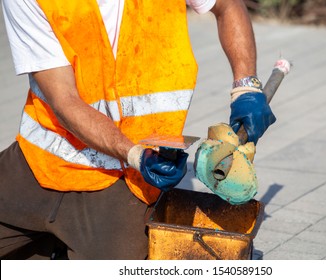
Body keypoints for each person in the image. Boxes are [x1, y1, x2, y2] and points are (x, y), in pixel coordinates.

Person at [0, 0, 275, 259]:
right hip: (36, 167)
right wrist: (135, 155)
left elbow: (228, 6)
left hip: (120, 182)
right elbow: (64, 100)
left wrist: (246, 85)